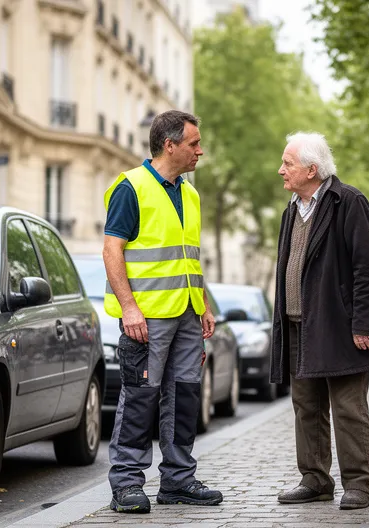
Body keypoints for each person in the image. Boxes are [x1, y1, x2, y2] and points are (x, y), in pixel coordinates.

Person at [102, 110, 223, 514]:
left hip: (188, 313)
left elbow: (190, 257)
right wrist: (130, 308)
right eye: (193, 144)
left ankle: (178, 479)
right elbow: (112, 249)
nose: (199, 151)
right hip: (147, 318)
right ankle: (127, 484)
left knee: (185, 396)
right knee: (140, 397)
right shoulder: (130, 188)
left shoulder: (190, 194)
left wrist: (203, 303)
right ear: (170, 145)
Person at [269, 132, 369, 511]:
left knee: (349, 408)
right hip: (298, 324)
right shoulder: (292, 209)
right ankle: (316, 480)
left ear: (311, 169)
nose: (281, 169)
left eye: (287, 163)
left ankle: (357, 484)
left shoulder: (348, 201)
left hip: (339, 326)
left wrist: (364, 323)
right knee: (306, 406)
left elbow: (368, 267)